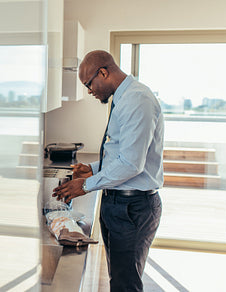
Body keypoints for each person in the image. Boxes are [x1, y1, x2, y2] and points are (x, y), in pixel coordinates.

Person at [52, 50, 164, 292]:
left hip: (131, 208)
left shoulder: (137, 100)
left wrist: (84, 185)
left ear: (103, 72)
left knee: (125, 285)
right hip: (122, 205)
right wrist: (91, 169)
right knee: (120, 280)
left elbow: (132, 164)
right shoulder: (124, 98)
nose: (90, 91)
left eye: (89, 84)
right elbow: (121, 155)